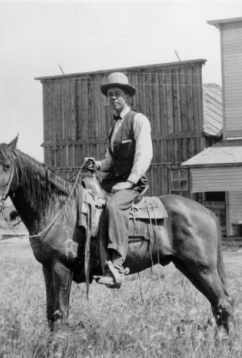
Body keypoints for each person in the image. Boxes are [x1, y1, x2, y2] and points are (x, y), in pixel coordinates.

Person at [86, 72, 153, 288]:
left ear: (127, 97)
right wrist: (96, 165)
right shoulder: (114, 126)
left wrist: (130, 181)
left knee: (113, 206)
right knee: (85, 195)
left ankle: (116, 264)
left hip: (132, 183)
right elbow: (109, 161)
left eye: (118, 94)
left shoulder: (138, 120)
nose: (114, 98)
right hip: (114, 180)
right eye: (110, 95)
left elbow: (144, 155)